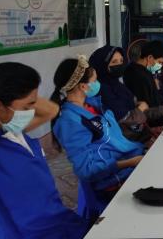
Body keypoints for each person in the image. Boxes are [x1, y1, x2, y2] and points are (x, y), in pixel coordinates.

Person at [0, 62, 90, 239]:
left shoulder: (10, 130)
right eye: (27, 107)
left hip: (62, 222)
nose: (32, 111)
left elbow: (51, 110)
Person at [51, 56, 145, 213]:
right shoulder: (70, 122)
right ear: (83, 86)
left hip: (128, 159)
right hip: (113, 181)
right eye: (94, 81)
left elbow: (112, 139)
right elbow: (86, 170)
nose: (98, 84)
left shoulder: (93, 105)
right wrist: (129, 162)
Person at [89, 45, 153, 143]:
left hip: (139, 134)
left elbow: (131, 105)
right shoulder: (102, 91)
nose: (119, 65)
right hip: (127, 141)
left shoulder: (117, 84)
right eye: (114, 62)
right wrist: (141, 108)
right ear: (102, 65)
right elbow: (124, 118)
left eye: (121, 61)